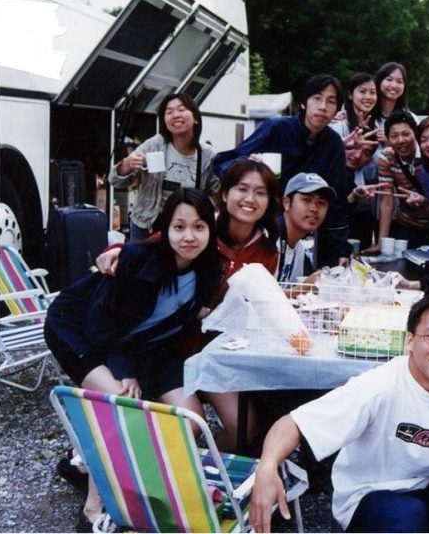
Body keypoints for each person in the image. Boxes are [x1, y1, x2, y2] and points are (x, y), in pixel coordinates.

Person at [249, 293, 429, 533]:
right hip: (371, 503)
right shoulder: (380, 384)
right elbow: (293, 423)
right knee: (408, 515)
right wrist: (267, 466)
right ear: (409, 341)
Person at [44, 188, 222, 530]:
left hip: (142, 347)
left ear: (210, 230)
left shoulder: (209, 270)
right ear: (165, 229)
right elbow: (100, 323)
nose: (189, 236)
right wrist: (124, 370)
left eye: (199, 227)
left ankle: (87, 465)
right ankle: (93, 510)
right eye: (179, 227)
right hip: (77, 330)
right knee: (123, 410)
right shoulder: (141, 261)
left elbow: (173, 323)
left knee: (191, 418)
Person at [96, 160, 281, 452]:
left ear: (269, 201)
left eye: (260, 192)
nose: (250, 199)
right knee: (188, 424)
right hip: (172, 348)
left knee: (243, 429)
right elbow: (158, 243)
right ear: (225, 194)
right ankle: (152, 462)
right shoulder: (202, 227)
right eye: (242, 189)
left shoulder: (267, 251)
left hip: (216, 355)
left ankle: (204, 468)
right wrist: (117, 248)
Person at [212, 74, 351, 268]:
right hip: (262, 226)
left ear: (337, 110)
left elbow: (337, 201)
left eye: (330, 101)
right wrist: (247, 165)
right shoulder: (277, 128)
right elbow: (222, 162)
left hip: (302, 234)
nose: (322, 107)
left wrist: (341, 248)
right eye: (317, 98)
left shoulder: (334, 144)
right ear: (303, 102)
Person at [109, 93, 220, 242]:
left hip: (186, 227)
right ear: (165, 121)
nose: (175, 115)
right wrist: (127, 164)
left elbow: (217, 192)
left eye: (181, 110)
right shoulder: (155, 145)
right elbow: (115, 181)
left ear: (195, 118)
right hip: (147, 226)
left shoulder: (207, 154)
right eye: (169, 112)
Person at [370, 111, 429, 251]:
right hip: (406, 226)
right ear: (388, 139)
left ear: (415, 134)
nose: (401, 140)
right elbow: (386, 202)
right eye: (394, 136)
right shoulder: (387, 158)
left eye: (406, 134)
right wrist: (381, 242)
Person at [276, 173, 336, 283]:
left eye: (321, 203)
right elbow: (255, 293)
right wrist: (303, 287)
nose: (314, 208)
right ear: (286, 203)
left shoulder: (299, 248)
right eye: (307, 200)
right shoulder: (268, 239)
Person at [370, 61, 411, 131]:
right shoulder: (365, 115)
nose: (394, 85)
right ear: (379, 82)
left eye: (399, 81)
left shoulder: (409, 118)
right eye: (389, 80)